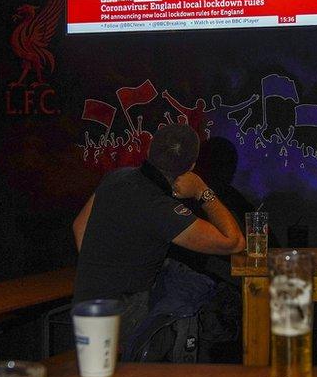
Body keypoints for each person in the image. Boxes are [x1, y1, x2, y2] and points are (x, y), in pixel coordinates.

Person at [72, 123, 245, 353]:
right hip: (124, 316)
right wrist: (202, 190)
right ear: (191, 167)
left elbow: (79, 227)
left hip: (85, 304)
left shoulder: (116, 178)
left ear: (149, 151)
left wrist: (103, 274)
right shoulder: (162, 209)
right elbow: (234, 242)